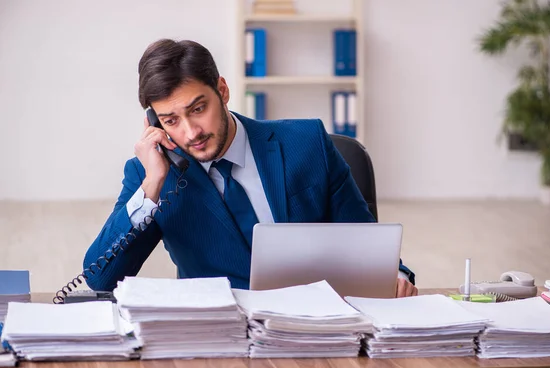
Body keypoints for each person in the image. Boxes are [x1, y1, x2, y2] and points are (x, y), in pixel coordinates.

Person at [83, 39, 418, 297]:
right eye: (171, 120)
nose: (191, 132)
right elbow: (101, 278)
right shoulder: (150, 174)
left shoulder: (307, 143)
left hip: (315, 327)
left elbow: (368, 245)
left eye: (198, 109)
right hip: (219, 342)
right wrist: (153, 184)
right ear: (155, 123)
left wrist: (397, 279)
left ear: (223, 91)